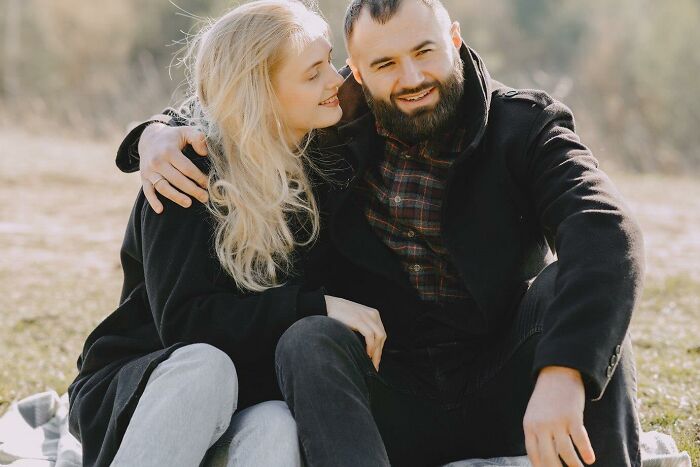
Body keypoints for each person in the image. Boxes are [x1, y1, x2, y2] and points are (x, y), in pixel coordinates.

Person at [119, 1, 646, 466]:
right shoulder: (332, 120)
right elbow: (243, 100)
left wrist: (564, 371)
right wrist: (156, 134)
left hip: (507, 382)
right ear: (357, 74)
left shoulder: (525, 127)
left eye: (425, 51)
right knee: (309, 338)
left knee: (566, 290)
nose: (411, 76)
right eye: (385, 64)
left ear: (455, 41)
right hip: (388, 394)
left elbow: (605, 228)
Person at [67, 2, 388, 466]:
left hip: (244, 398)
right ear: (261, 91)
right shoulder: (186, 170)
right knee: (206, 366)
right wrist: (318, 306)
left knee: (278, 422)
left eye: (329, 61)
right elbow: (185, 324)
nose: (335, 81)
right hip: (147, 385)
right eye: (313, 73)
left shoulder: (327, 161)